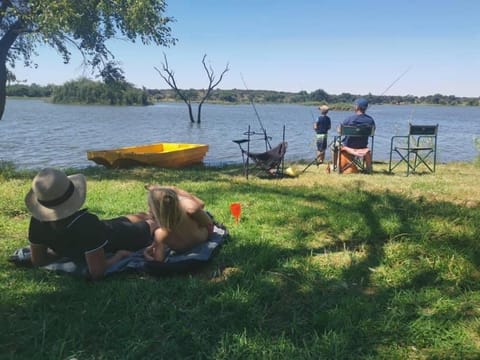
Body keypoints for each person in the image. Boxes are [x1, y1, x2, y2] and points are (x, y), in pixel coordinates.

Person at [25, 168, 156, 280]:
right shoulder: (86, 224)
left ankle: (152, 211)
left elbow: (38, 260)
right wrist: (119, 256)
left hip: (106, 228)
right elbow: (97, 272)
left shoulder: (38, 222)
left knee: (139, 216)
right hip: (120, 236)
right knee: (153, 224)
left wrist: (60, 252)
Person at [144, 185, 214, 262]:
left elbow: (158, 262)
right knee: (192, 207)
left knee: (191, 207)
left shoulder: (160, 234)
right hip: (204, 236)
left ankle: (171, 190)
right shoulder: (190, 209)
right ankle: (173, 191)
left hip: (187, 245)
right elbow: (207, 221)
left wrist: (146, 254)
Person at [332, 98, 376, 172]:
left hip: (347, 146)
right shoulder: (370, 120)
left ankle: (335, 166)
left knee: (333, 146)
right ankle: (368, 169)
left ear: (357, 107)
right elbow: (373, 131)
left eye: (355, 105)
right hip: (362, 146)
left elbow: (340, 131)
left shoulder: (349, 119)